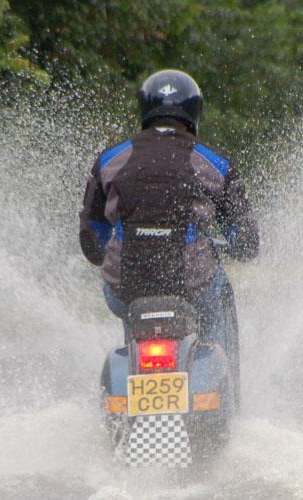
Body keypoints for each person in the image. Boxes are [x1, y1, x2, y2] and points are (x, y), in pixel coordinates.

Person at [78, 69, 258, 362]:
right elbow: (247, 243)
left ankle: (136, 368)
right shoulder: (214, 163)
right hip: (193, 284)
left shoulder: (110, 160)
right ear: (194, 112)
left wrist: (112, 247)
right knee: (220, 292)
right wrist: (235, 245)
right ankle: (223, 369)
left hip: (125, 287)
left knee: (128, 296)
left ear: (145, 109)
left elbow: (91, 243)